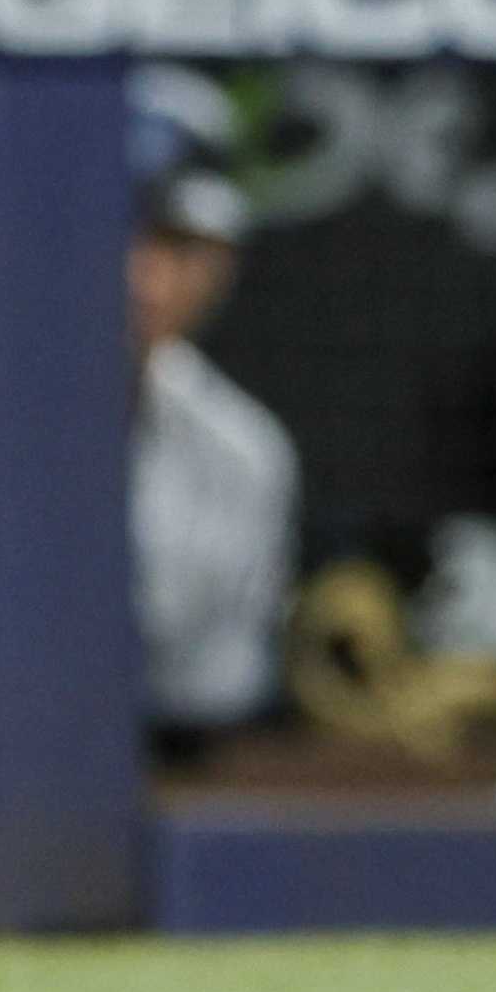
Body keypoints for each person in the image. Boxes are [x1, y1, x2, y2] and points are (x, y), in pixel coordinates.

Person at [124, 66, 299, 741]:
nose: (148, 276)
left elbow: (217, 705)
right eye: (127, 230)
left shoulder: (244, 454)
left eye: (178, 243)